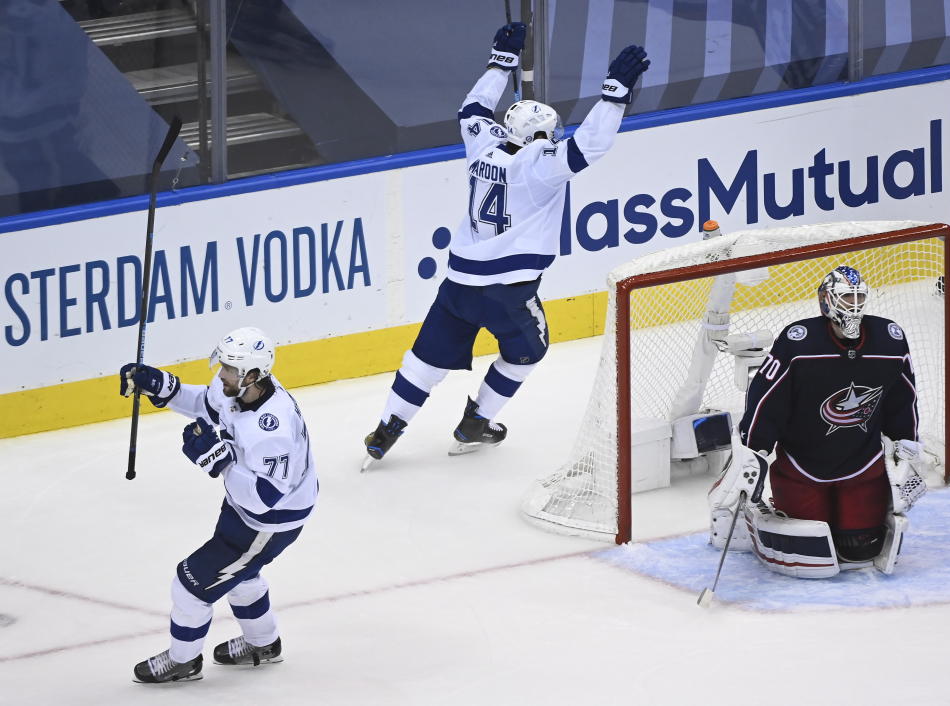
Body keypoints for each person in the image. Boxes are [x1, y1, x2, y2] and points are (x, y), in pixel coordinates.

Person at [362, 22, 650, 468]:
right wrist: (614, 96)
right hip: (507, 292)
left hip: (457, 285)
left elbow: (472, 108)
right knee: (527, 353)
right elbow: (590, 145)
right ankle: (478, 420)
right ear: (540, 136)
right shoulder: (541, 165)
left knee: (425, 360)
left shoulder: (482, 144)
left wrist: (501, 62)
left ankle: (387, 427)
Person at [119, 326, 317, 683]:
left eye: (229, 369)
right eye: (223, 364)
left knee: (190, 585)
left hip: (268, 523)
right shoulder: (239, 387)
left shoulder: (271, 431)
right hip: (245, 511)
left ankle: (183, 660)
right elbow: (207, 406)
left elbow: (264, 501)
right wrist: (163, 387)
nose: (220, 374)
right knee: (239, 575)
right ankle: (263, 644)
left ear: (253, 375)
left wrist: (219, 463)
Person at [709, 266, 926, 577]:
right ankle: (749, 517)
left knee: (861, 548)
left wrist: (906, 443)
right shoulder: (799, 343)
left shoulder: (889, 340)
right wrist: (753, 451)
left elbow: (903, 396)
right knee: (809, 547)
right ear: (826, 300)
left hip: (862, 464)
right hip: (802, 465)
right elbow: (766, 398)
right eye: (845, 297)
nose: (852, 305)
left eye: (858, 296)